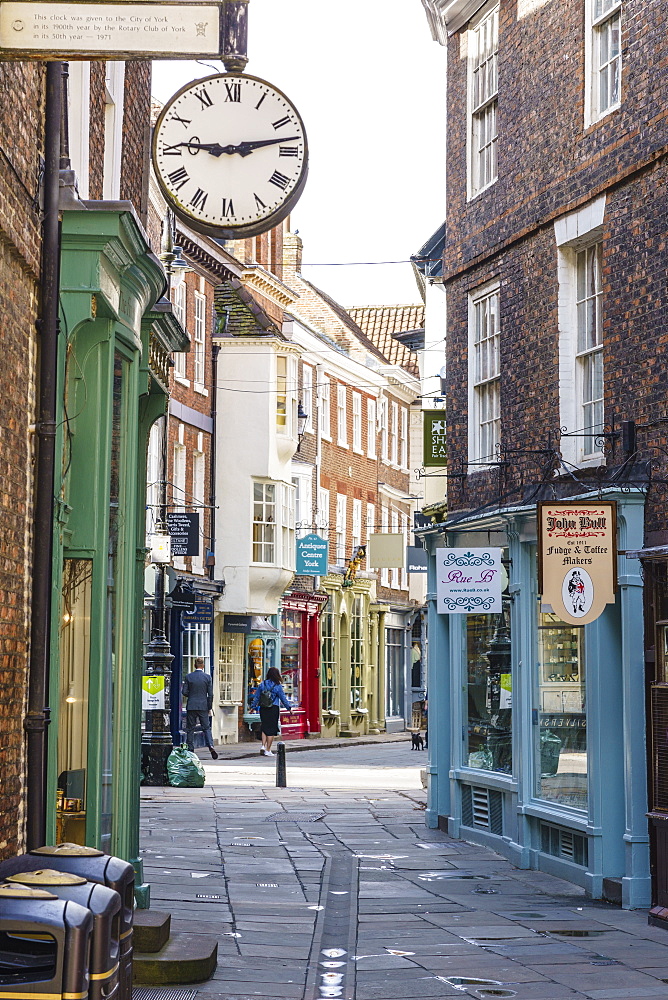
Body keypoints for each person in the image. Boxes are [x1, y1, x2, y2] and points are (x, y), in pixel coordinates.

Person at [250, 666, 291, 757]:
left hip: (263, 708)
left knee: (264, 727)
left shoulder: (262, 684)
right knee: (271, 729)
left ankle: (263, 746)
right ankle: (268, 750)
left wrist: (253, 707)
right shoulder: (277, 686)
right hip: (273, 708)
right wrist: (289, 708)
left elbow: (257, 697)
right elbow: (283, 698)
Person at [182, 657, 218, 759]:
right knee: (206, 728)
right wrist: (209, 707)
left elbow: (184, 692)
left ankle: (190, 749)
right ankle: (210, 746)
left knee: (190, 728)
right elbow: (210, 694)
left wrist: (192, 695)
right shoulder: (207, 677)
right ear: (203, 666)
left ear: (195, 665)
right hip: (203, 706)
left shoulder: (189, 677)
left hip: (192, 705)